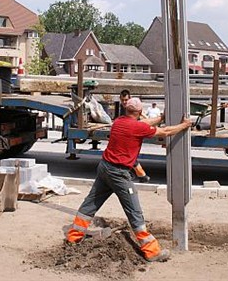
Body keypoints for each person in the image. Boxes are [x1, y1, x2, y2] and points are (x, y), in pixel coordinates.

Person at [66, 97, 192, 262]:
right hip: (119, 173)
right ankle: (152, 251)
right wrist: (184, 125)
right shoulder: (138, 127)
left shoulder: (119, 122)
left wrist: (161, 117)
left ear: (127, 110)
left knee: (91, 202)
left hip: (104, 167)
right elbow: (165, 132)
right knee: (134, 210)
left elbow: (145, 125)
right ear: (139, 112)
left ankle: (73, 237)